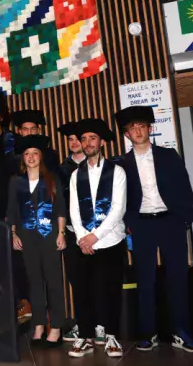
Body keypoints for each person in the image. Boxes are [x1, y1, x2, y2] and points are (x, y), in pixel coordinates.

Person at [114, 106, 193, 353]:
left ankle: (182, 331)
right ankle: (148, 333)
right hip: (142, 225)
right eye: (132, 127)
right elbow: (120, 196)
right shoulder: (121, 164)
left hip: (171, 221)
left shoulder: (169, 155)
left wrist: (185, 220)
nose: (137, 130)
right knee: (144, 280)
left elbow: (184, 188)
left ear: (150, 128)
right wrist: (129, 223)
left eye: (141, 126)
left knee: (178, 277)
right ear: (126, 134)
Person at [68, 118, 126, 358]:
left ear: (102, 142)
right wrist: (83, 237)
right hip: (83, 244)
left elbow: (118, 208)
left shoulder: (117, 171)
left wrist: (95, 236)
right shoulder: (75, 174)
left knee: (110, 290)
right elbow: (73, 209)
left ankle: (112, 336)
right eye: (84, 139)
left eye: (92, 138)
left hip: (110, 240)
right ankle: (85, 338)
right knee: (82, 291)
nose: (88, 142)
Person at [8, 135, 67, 346]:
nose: (31, 157)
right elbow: (12, 210)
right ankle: (40, 324)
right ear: (22, 158)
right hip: (26, 236)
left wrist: (61, 233)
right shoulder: (16, 182)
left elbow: (60, 207)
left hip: (49, 234)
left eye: (35, 153)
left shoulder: (51, 179)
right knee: (34, 281)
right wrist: (13, 234)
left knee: (53, 281)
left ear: (40, 157)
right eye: (27, 154)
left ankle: (57, 325)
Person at [56, 121, 87, 343]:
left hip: (98, 233)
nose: (75, 143)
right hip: (70, 232)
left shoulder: (98, 166)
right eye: (71, 139)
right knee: (77, 280)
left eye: (79, 138)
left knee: (99, 280)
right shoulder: (60, 170)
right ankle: (82, 324)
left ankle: (100, 325)